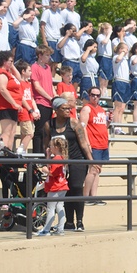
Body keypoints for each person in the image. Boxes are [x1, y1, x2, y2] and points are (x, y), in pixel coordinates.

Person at [41, 96, 91, 232]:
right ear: (56, 110)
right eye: (65, 108)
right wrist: (46, 161)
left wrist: (91, 161)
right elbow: (45, 145)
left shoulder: (74, 123)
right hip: (59, 162)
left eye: (69, 108)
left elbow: (84, 144)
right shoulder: (48, 125)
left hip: (76, 159)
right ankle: (69, 221)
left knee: (76, 187)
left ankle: (79, 220)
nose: (69, 110)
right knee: (65, 191)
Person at [80, 85, 109, 205]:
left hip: (103, 144)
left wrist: (109, 122)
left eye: (97, 95)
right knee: (92, 170)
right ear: (89, 95)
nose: (95, 97)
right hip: (94, 144)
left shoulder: (101, 110)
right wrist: (87, 143)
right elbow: (82, 127)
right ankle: (85, 197)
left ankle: (94, 196)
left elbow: (103, 126)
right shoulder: (87, 109)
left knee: (98, 171)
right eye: (93, 95)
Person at [38, 135, 69, 236]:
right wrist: (48, 155)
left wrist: (45, 170)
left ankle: (46, 230)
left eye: (51, 146)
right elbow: (51, 166)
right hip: (62, 186)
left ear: (56, 147)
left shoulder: (57, 158)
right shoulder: (62, 157)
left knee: (51, 208)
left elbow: (52, 173)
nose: (49, 148)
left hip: (55, 187)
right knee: (60, 206)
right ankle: (60, 228)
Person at [0, 51, 20, 149]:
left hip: (12, 105)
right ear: (4, 61)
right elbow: (2, 89)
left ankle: (9, 153)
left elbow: (19, 78)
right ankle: (2, 153)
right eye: (10, 61)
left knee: (12, 132)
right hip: (5, 105)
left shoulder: (8, 72)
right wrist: (14, 103)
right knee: (6, 131)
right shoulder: (0, 73)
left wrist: (11, 66)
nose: (12, 63)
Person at [30, 45, 55, 154]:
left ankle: (45, 154)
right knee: (39, 130)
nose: (49, 57)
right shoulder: (34, 67)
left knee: (47, 130)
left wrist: (55, 96)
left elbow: (50, 85)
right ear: (40, 55)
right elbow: (37, 86)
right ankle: (37, 155)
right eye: (47, 55)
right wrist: (49, 97)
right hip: (40, 101)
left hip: (49, 103)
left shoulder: (48, 68)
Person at [14, 59, 38, 154]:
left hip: (30, 112)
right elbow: (22, 98)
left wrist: (36, 110)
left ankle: (22, 152)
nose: (31, 72)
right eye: (29, 70)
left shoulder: (28, 83)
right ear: (23, 72)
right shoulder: (20, 83)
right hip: (24, 112)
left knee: (25, 134)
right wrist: (31, 110)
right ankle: (20, 151)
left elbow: (31, 98)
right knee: (29, 133)